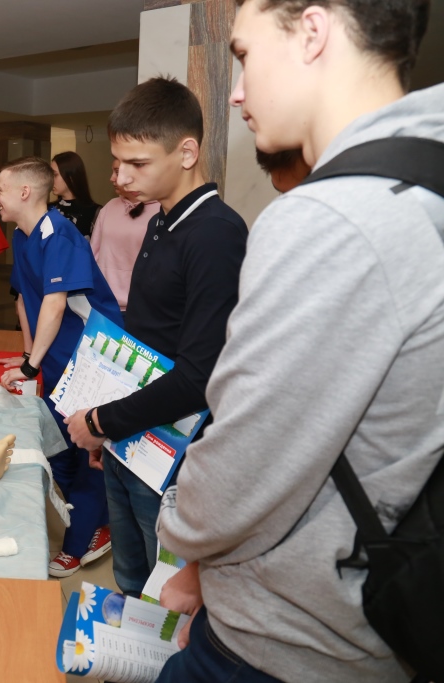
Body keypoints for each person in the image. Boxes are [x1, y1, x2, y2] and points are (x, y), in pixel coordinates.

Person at [155, 1, 443, 681]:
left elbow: (236, 476)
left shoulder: (330, 217)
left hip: (286, 643)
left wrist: (178, 522)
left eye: (245, 54)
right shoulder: (424, 179)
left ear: (312, 32)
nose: (235, 91)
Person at [65, 77, 247, 597]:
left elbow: (199, 375)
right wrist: (112, 432)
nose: (121, 177)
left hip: (177, 450)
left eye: (137, 163)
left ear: (186, 152)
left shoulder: (215, 233)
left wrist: (100, 422)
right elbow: (146, 343)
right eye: (118, 162)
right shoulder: (161, 221)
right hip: (134, 436)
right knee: (129, 580)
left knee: (164, 597)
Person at [0, 156, 123, 578]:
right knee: (59, 447)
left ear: (25, 192)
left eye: (0, 189)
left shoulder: (60, 234)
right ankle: (98, 522)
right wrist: (29, 356)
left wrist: (31, 367)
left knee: (85, 451)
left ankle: (81, 539)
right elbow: (24, 299)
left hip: (89, 361)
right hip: (55, 359)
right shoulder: (22, 235)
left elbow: (54, 303)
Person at [89, 158, 159, 313]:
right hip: (104, 304)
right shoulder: (109, 207)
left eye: (117, 172)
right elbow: (93, 255)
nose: (112, 178)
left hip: (143, 307)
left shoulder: (161, 211)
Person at [49, 151, 101, 237]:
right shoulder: (47, 209)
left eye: (55, 175)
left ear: (71, 176)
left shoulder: (95, 212)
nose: (50, 179)